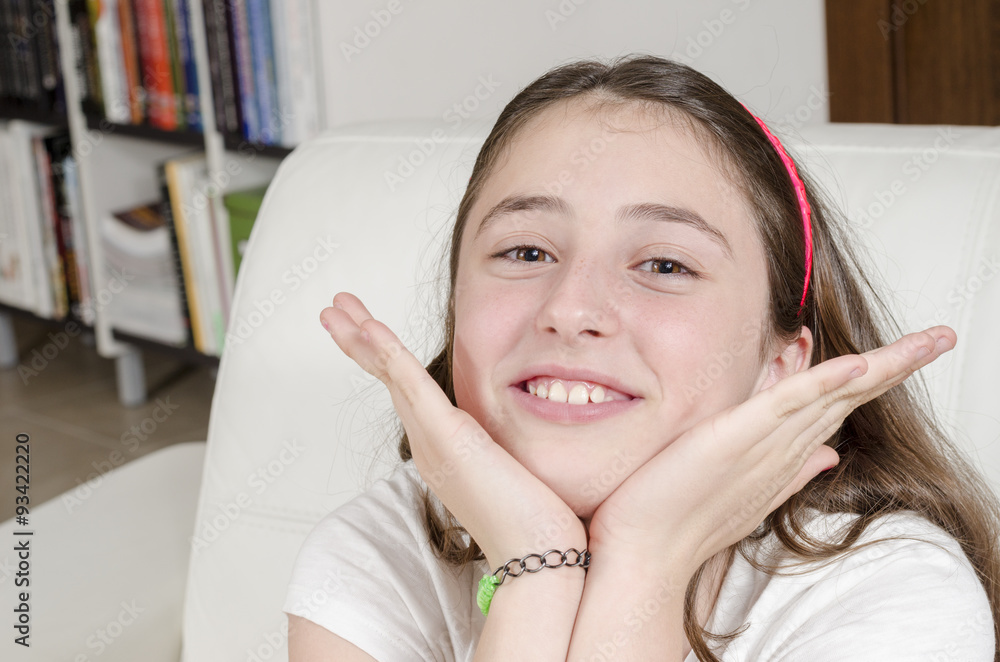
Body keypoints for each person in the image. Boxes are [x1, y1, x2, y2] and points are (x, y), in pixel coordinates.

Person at [284, 55, 999, 661]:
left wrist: (644, 564)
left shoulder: (894, 593)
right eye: (525, 252)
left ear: (780, 367)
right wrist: (537, 571)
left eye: (664, 265)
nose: (570, 308)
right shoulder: (380, 553)